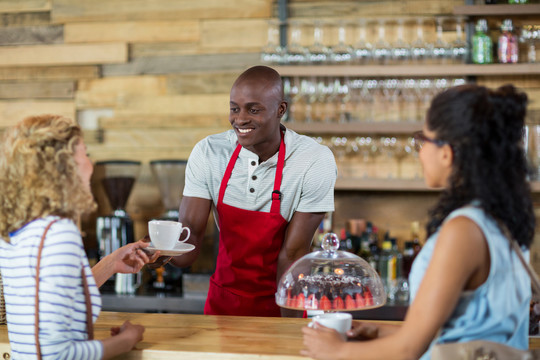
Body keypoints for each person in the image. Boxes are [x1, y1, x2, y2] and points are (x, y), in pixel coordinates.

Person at [301, 84, 535, 359]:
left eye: (424, 139)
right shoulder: (500, 218)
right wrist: (378, 332)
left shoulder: (464, 230)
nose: (420, 151)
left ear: (447, 152)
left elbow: (409, 350)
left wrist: (336, 351)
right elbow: (456, 333)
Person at [158, 65, 337, 317]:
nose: (240, 119)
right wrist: (159, 250)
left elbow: (293, 254)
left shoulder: (313, 160)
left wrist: (288, 332)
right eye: (234, 108)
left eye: (254, 109)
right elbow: (190, 241)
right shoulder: (209, 152)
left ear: (280, 110)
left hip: (281, 303)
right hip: (223, 304)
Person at [0, 114, 160, 359]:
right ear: (63, 166)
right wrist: (126, 340)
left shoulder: (16, 230)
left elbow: (50, 303)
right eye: (84, 153)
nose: (91, 163)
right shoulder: (59, 232)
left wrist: (110, 263)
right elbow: (58, 355)